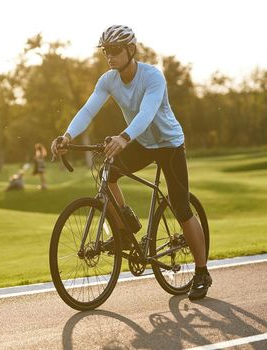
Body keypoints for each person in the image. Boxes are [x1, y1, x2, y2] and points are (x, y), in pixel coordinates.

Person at [51, 25, 211, 301]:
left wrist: (124, 137)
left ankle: (201, 272)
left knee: (181, 207)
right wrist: (67, 135)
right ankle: (125, 230)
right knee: (108, 173)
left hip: (169, 144)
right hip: (144, 143)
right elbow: (89, 109)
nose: (109, 56)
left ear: (131, 50)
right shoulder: (108, 80)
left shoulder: (153, 77)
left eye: (114, 50)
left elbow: (148, 113)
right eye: (105, 51)